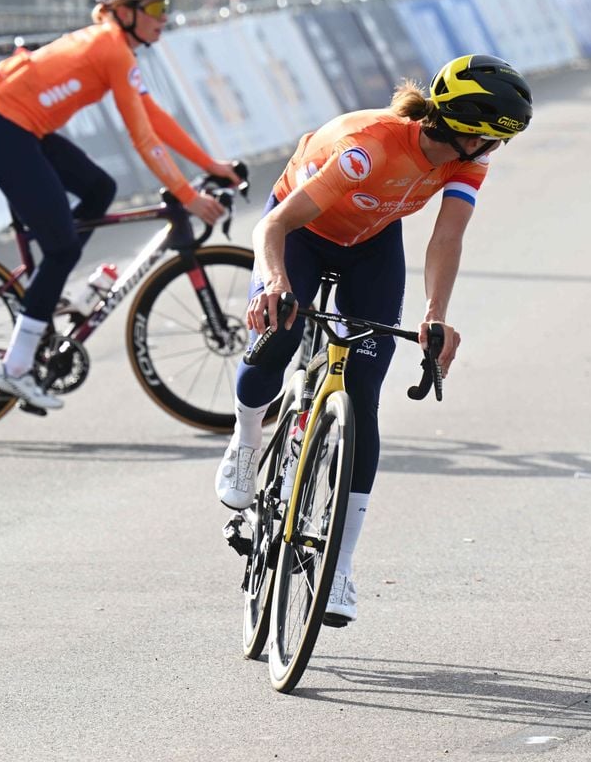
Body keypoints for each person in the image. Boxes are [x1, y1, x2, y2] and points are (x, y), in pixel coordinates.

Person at [216, 54, 533, 624]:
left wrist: (436, 314)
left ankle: (337, 565)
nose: (494, 150)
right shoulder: (372, 148)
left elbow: (446, 239)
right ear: (460, 125)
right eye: (490, 137)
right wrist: (275, 282)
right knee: (282, 333)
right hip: (304, 234)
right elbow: (274, 225)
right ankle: (244, 443)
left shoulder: (468, 160)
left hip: (372, 242)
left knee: (363, 395)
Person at [0, 0, 242, 409]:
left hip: (12, 127)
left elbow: (153, 116)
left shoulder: (114, 45)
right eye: (155, 6)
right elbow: (142, 137)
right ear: (122, 10)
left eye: (166, 6)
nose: (164, 16)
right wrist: (189, 197)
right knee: (62, 250)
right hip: (4, 133)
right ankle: (15, 367)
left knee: (99, 190)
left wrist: (211, 164)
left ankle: (47, 290)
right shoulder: (111, 48)